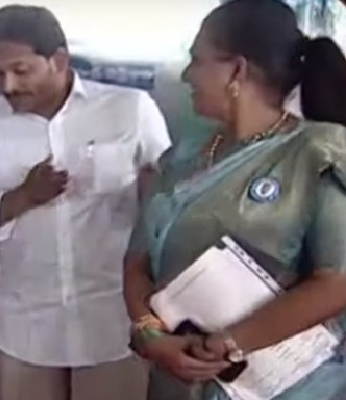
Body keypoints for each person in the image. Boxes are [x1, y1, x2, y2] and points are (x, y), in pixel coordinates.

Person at [0, 4, 171, 400]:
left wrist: (156, 195)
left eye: (21, 70)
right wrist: (22, 197)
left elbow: (170, 202)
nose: (8, 85)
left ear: (59, 60)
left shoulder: (130, 109)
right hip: (25, 327)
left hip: (115, 320)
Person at [123, 0, 346, 399]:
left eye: (197, 60)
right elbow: (138, 259)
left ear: (237, 70)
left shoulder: (317, 152)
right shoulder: (181, 157)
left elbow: (337, 283)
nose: (187, 74)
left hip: (287, 387)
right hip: (178, 382)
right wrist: (151, 333)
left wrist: (229, 343)